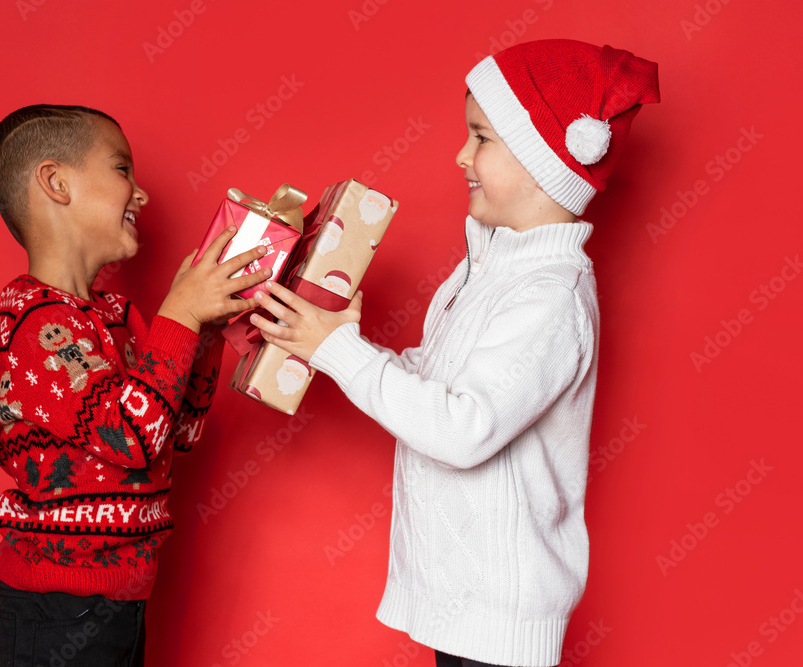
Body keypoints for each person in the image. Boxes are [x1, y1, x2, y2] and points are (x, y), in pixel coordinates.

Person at [249, 40, 660, 666]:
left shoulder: (550, 297)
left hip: (500, 617)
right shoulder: (491, 268)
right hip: (465, 606)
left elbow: (464, 429)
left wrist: (338, 352)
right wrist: (345, 345)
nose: (460, 155)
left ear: (544, 157)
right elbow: (443, 386)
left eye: (481, 137)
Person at [0, 104, 270, 666]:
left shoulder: (115, 315)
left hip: (122, 599)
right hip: (56, 607)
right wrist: (179, 317)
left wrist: (203, 333)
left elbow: (174, 433)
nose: (140, 194)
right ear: (56, 182)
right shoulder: (35, 322)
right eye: (122, 170)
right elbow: (129, 436)